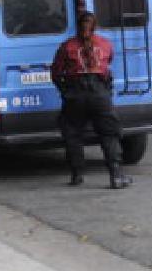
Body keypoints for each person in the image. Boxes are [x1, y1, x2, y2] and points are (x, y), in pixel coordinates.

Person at [50, 11, 133, 189]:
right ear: (94, 27)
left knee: (72, 133)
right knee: (109, 134)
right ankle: (116, 175)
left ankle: (77, 174)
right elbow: (108, 63)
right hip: (99, 93)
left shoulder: (67, 46)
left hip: (75, 94)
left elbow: (56, 72)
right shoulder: (104, 44)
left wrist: (65, 91)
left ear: (77, 26)